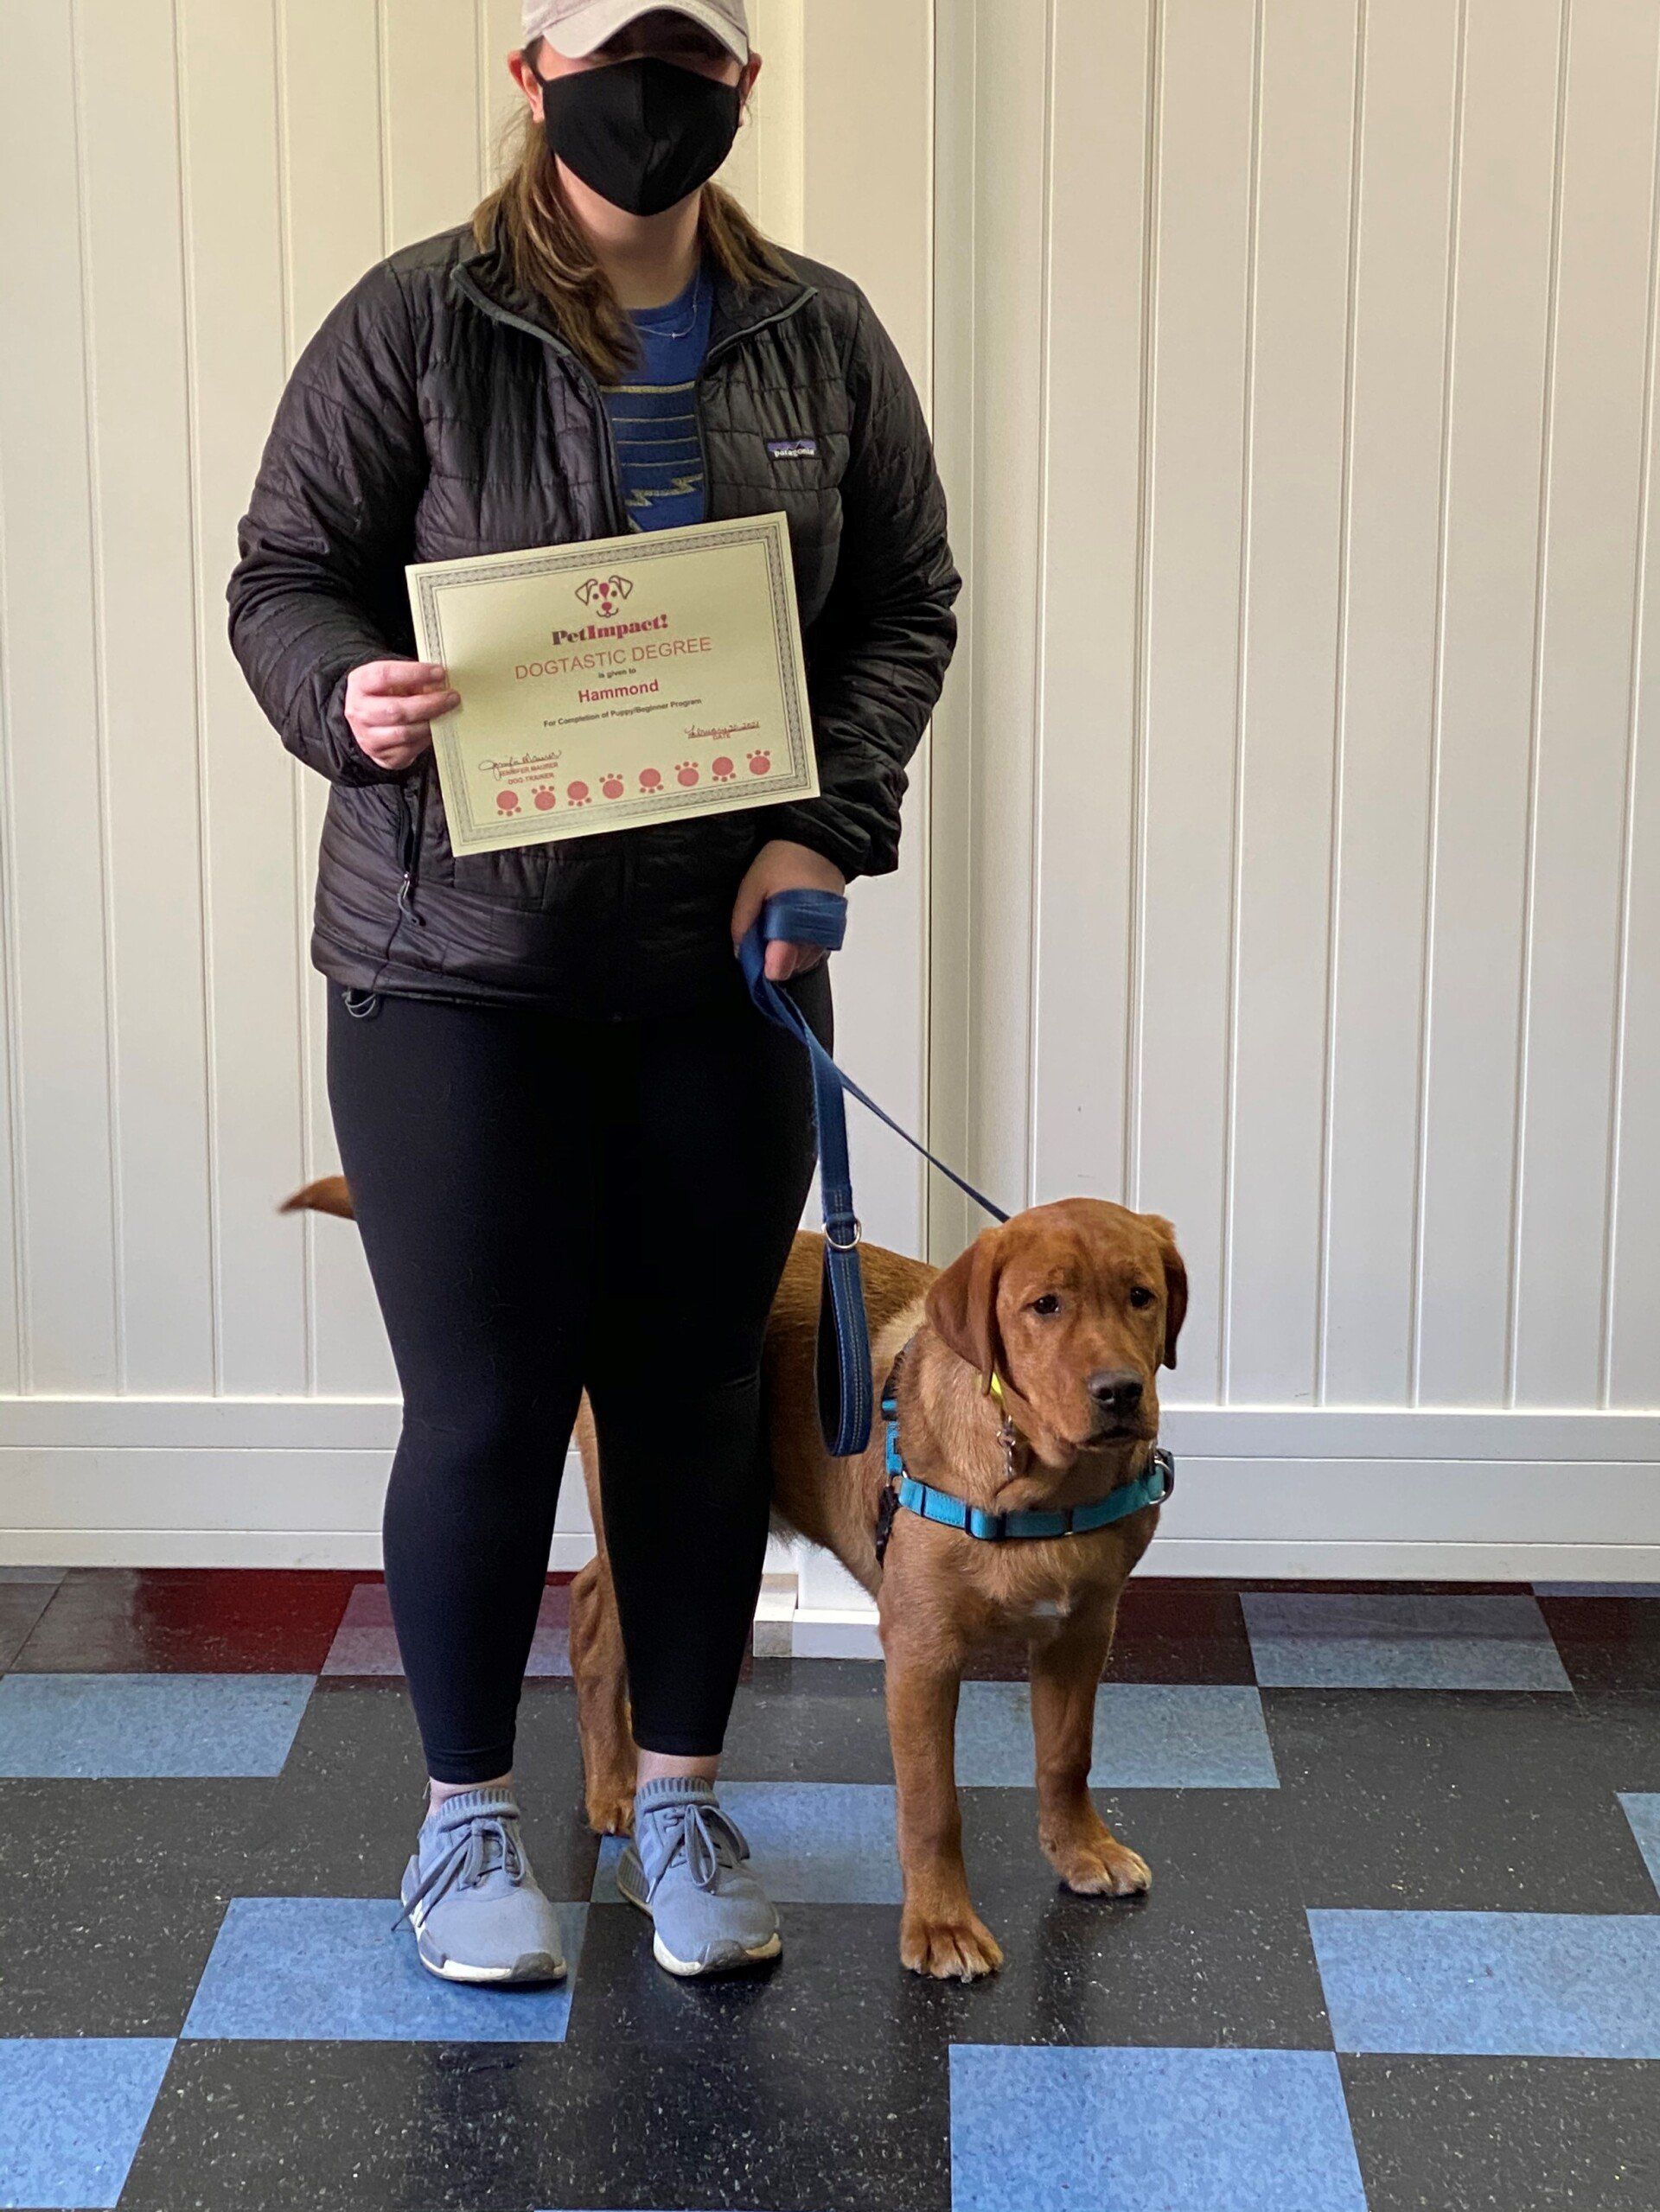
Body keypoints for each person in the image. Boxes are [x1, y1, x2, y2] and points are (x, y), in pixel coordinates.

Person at [226, 0, 961, 1983]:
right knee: (481, 1407)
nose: (648, 94)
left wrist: (832, 828)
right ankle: (468, 1830)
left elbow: (905, 598)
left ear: (740, 81)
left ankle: (684, 1801)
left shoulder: (819, 328)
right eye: (607, 50)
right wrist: (342, 697)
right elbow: (285, 572)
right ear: (531, 75)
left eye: (687, 53)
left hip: (720, 972)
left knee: (695, 1404)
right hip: (449, 965)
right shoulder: (415, 320)